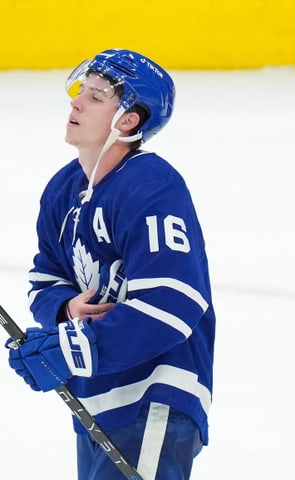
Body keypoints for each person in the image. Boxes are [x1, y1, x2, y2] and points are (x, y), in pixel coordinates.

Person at [6, 49, 216, 479]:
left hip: (156, 394)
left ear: (128, 120)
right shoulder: (63, 190)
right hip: (98, 400)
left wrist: (78, 347)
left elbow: (174, 302)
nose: (76, 103)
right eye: (80, 91)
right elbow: (45, 277)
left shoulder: (152, 186)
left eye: (96, 97)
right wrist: (64, 311)